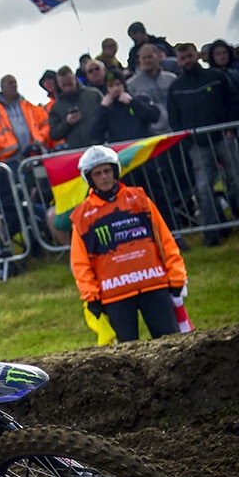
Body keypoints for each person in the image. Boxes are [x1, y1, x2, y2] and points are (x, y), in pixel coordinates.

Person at [70, 145, 186, 342]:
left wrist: (176, 276)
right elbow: (80, 263)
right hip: (115, 296)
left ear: (115, 171)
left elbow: (165, 241)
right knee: (125, 354)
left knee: (173, 344)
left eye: (107, 171)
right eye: (97, 173)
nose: (104, 177)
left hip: (154, 286)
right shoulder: (82, 216)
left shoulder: (139, 199)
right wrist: (91, 295)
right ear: (89, 178)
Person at [167, 42, 239, 246]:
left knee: (238, 181)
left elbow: (233, 101)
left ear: (197, 55)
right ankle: (212, 235)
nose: (187, 61)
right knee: (204, 189)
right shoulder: (175, 87)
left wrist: (231, 129)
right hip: (198, 144)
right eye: (183, 58)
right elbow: (174, 119)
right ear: (178, 61)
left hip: (224, 136)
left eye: (190, 56)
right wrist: (187, 141)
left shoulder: (216, 76)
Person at [0, 75, 50, 164]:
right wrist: (3, 142)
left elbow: (46, 124)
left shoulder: (29, 107)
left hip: (34, 155)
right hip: (9, 160)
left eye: (15, 82)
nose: (14, 85)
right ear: (3, 87)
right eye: (10, 83)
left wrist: (39, 138)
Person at [91, 68, 159, 143]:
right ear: (107, 89)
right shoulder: (107, 109)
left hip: (142, 145)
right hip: (122, 148)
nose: (115, 89)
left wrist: (133, 103)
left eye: (118, 84)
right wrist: (102, 108)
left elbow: (154, 116)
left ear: (123, 85)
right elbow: (95, 134)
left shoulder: (139, 99)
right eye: (111, 86)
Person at [126, 42, 178, 134]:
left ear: (158, 57)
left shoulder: (171, 79)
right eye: (144, 58)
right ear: (139, 60)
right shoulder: (131, 85)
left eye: (150, 57)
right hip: (150, 135)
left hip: (173, 130)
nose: (147, 60)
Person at [49, 66, 105, 150]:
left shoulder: (94, 95)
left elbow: (108, 118)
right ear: (59, 84)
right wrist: (67, 123)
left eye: (70, 84)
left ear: (75, 79)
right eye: (64, 85)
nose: (68, 88)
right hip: (76, 152)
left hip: (100, 147)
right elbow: (54, 135)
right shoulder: (56, 107)